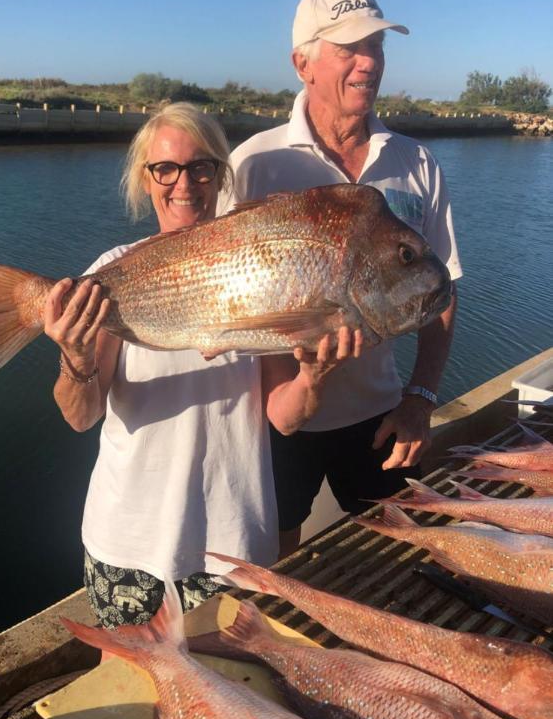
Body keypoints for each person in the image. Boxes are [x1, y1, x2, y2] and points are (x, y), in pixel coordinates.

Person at [43, 102, 359, 627]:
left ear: (220, 175)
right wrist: (75, 358)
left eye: (200, 166)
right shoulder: (109, 272)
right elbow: (80, 415)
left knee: (237, 688)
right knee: (137, 694)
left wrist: (315, 376)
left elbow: (283, 416)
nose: (183, 183)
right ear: (146, 181)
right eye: (164, 168)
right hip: (129, 545)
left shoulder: (267, 267)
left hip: (234, 548)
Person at [222, 0, 462, 556]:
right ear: (302, 62)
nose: (368, 63)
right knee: (279, 568)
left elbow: (443, 289)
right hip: (274, 421)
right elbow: (219, 295)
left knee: (398, 556)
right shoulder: (254, 163)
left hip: (380, 414)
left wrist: (421, 398)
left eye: (377, 47)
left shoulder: (415, 162)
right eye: (349, 48)